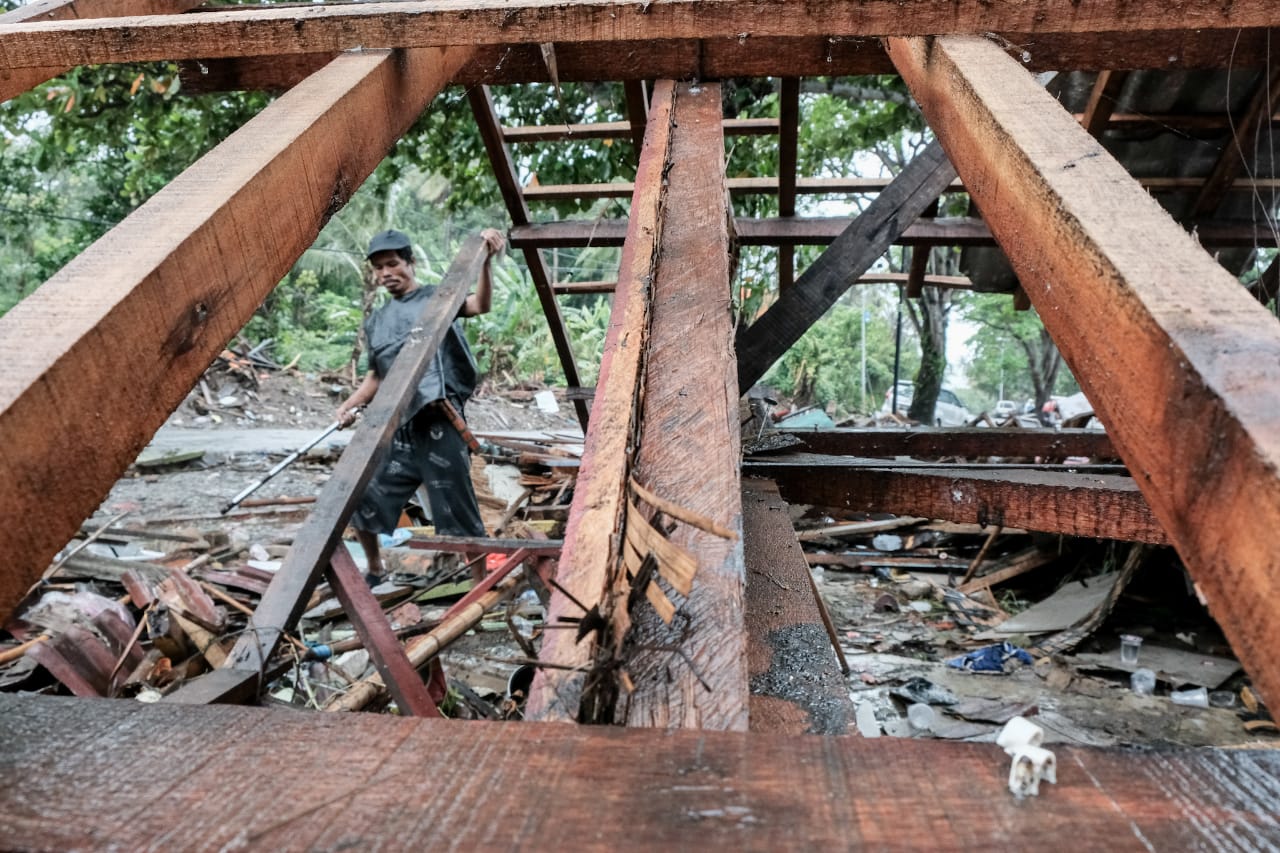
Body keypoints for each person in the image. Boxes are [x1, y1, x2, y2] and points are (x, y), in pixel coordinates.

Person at [337, 227, 505, 586]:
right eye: (379, 267)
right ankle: (375, 568)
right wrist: (348, 406)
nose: (386, 273)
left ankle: (479, 585)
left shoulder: (438, 298)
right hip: (400, 428)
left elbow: (480, 305)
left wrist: (486, 262)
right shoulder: (377, 322)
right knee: (362, 497)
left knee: (459, 511)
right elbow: (376, 377)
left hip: (440, 423)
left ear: (410, 263)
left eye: (393, 264)